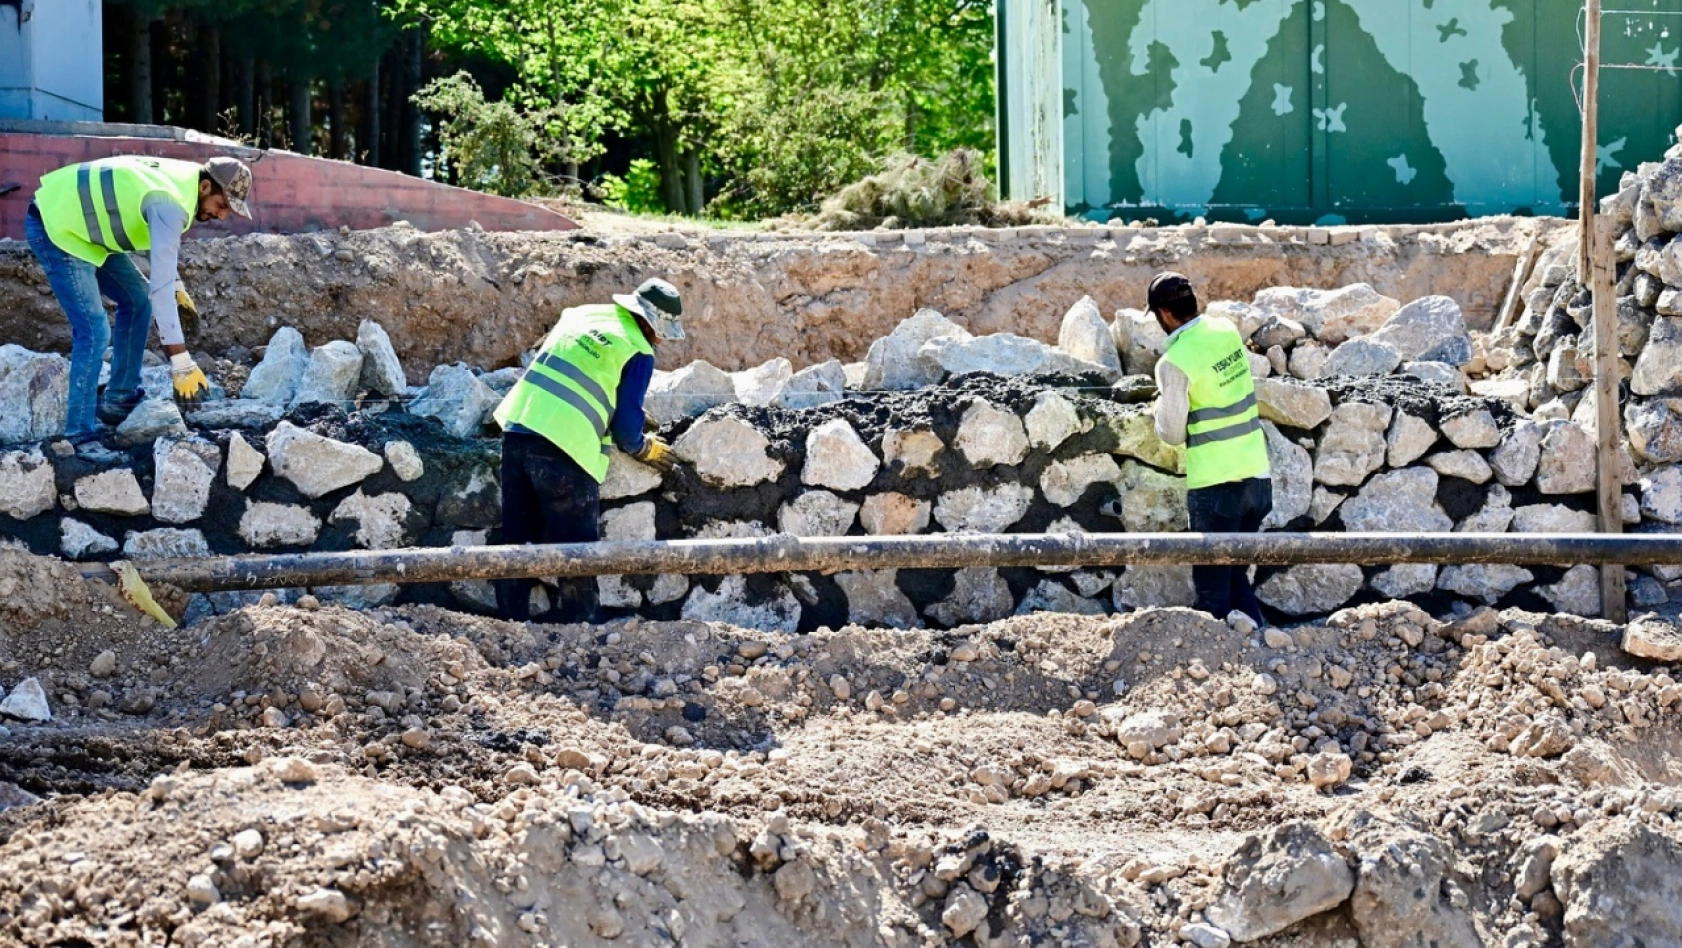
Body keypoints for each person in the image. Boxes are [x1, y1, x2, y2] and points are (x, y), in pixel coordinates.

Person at [24, 154, 252, 448]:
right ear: (206, 187)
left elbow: (153, 237)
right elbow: (160, 284)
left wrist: (177, 288)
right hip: (56, 226)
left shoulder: (183, 181)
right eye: (222, 206)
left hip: (87, 229)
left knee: (138, 299)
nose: (222, 217)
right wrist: (180, 361)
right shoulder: (172, 202)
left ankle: (120, 399)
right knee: (94, 331)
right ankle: (79, 435)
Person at [491, 278, 685, 623]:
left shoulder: (582, 315)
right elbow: (626, 432)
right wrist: (644, 448)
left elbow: (577, 370)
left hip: (519, 428)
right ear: (650, 322)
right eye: (660, 332)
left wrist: (619, 404)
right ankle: (583, 630)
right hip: (566, 447)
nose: (659, 340)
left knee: (516, 540)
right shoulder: (637, 349)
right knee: (577, 549)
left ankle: (509, 626)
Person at [1148, 272, 1273, 628]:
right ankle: (1260, 647)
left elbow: (1170, 433)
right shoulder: (1226, 331)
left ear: (1165, 315)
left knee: (1213, 590)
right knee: (1235, 576)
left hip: (1217, 487)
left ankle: (1223, 670)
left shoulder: (1174, 363)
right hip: (1257, 479)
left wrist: (1160, 406)